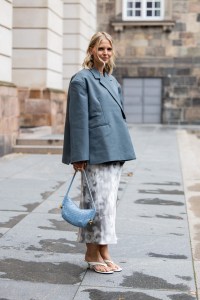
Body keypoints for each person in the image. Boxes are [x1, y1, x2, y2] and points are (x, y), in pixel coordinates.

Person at [62, 32, 136, 274]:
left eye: (108, 49)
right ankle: (91, 252)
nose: (105, 53)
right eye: (101, 48)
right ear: (91, 50)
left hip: (115, 150)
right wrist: (78, 155)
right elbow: (78, 121)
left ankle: (104, 250)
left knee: (108, 206)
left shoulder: (112, 81)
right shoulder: (81, 80)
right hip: (95, 152)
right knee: (96, 204)